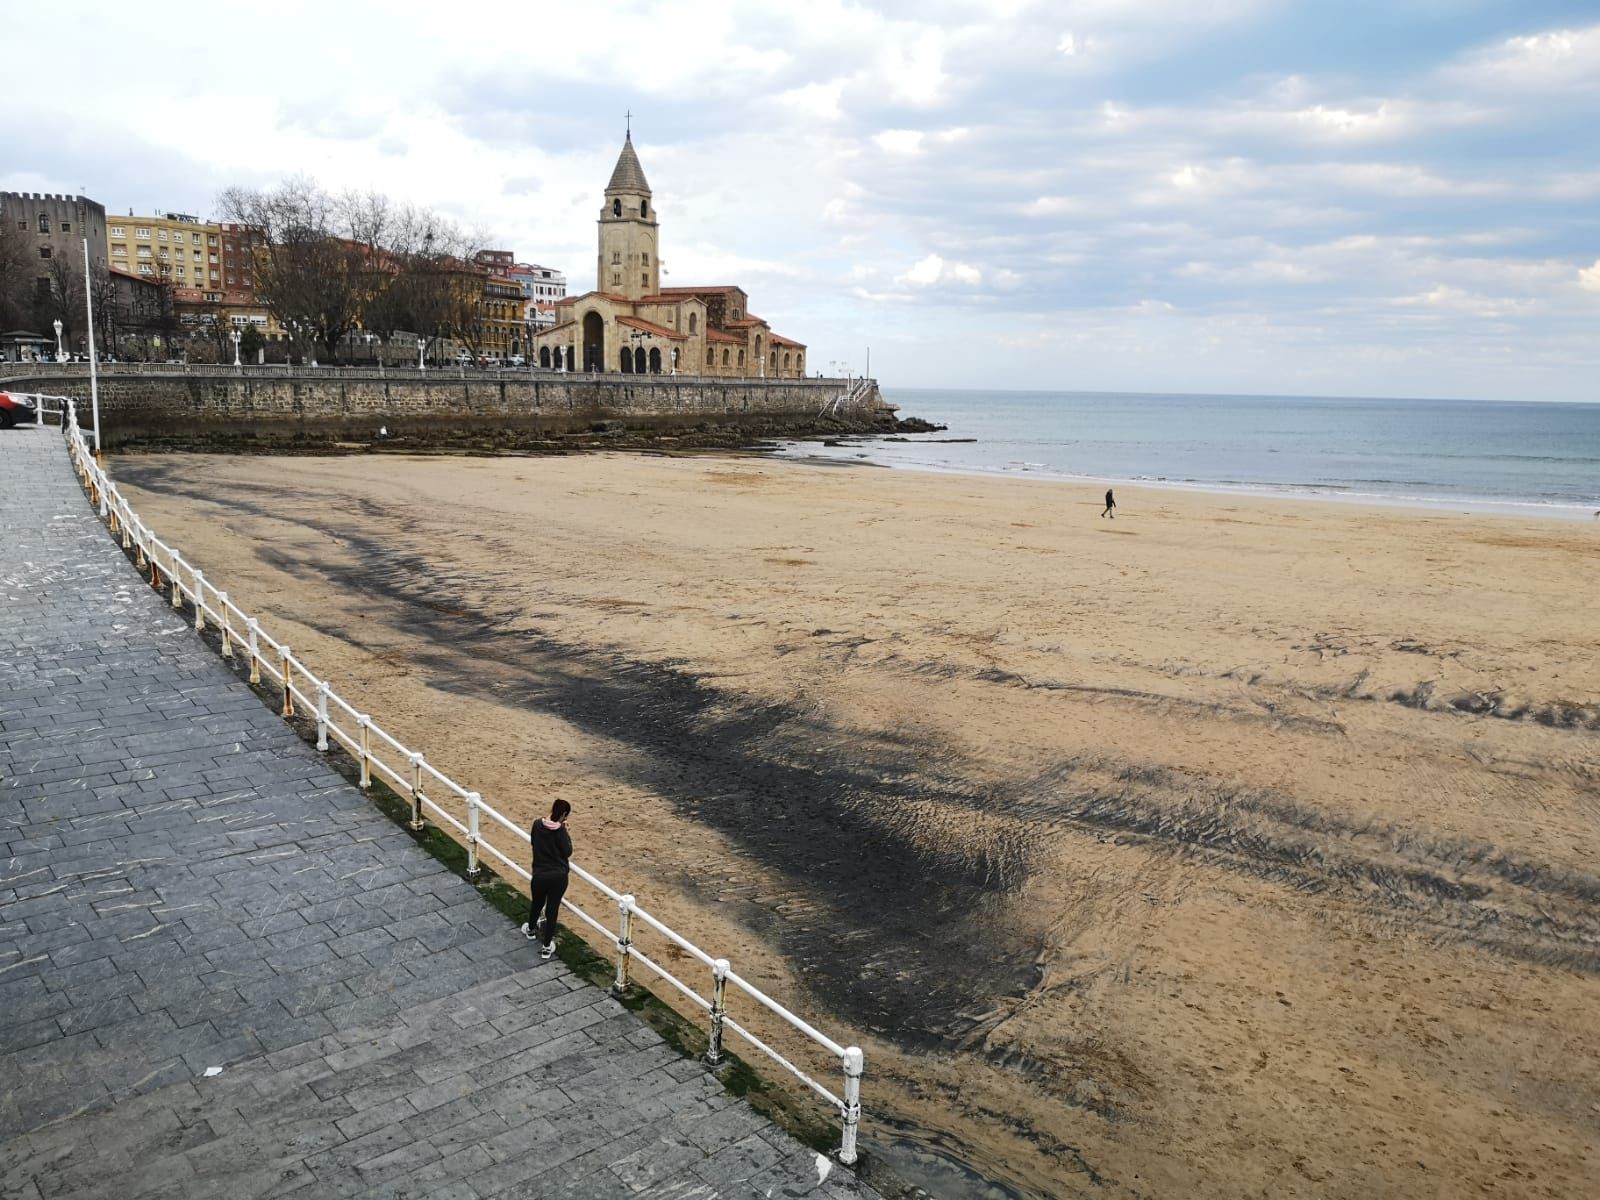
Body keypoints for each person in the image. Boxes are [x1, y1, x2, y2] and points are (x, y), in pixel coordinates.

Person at [522, 799, 572, 960]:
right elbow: (567, 852)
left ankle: (530, 929)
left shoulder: (537, 825)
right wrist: (564, 831)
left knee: (537, 902)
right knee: (552, 909)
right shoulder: (561, 832)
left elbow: (533, 842)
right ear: (564, 815)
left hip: (540, 874)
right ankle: (546, 946)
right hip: (558, 876)